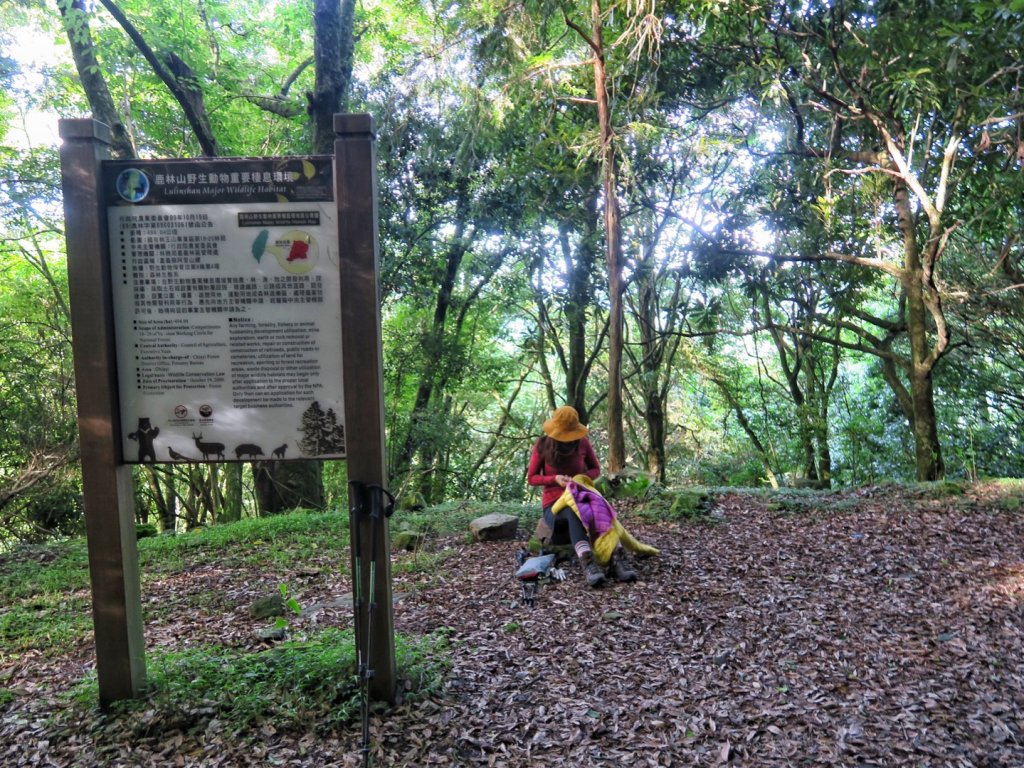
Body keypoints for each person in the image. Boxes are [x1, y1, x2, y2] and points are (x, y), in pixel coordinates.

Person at [526, 406, 637, 587]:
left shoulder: (582, 442)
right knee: (572, 510)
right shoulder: (542, 445)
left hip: (582, 495)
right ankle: (588, 563)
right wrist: (554, 479)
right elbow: (532, 478)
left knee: (602, 508)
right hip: (555, 505)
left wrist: (580, 480)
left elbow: (595, 469)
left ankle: (617, 559)